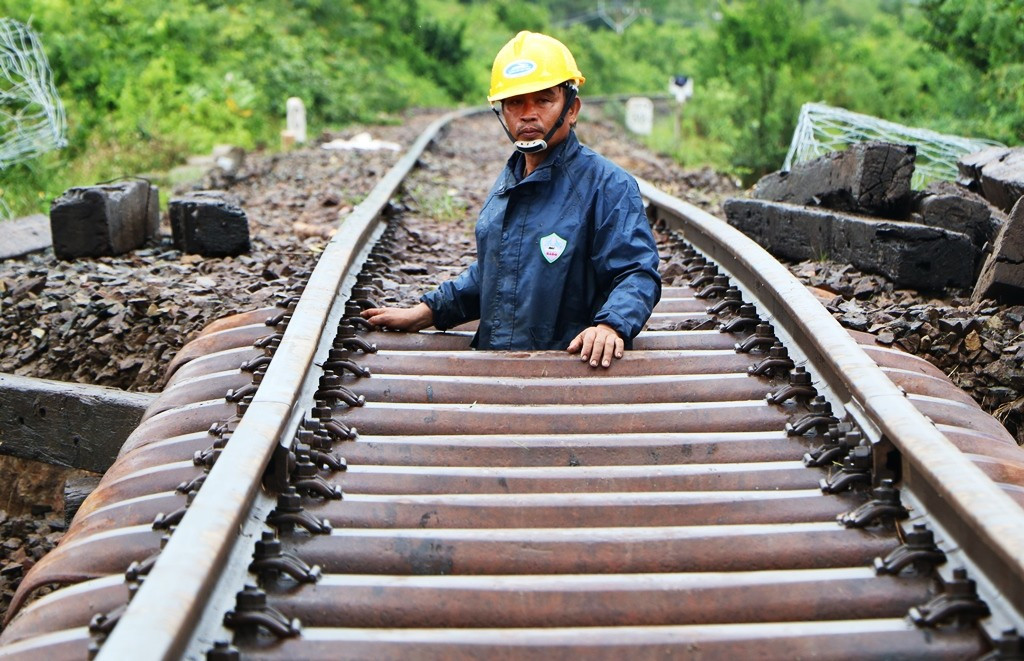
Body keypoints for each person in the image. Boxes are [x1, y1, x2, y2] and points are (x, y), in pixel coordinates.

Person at [362, 31, 661, 369]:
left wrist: (610, 326)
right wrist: (428, 312)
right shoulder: (511, 180)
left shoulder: (607, 185)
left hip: (571, 374)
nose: (528, 114)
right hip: (501, 369)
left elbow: (637, 272)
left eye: (543, 100)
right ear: (501, 112)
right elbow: (501, 268)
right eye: (515, 102)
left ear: (572, 109)